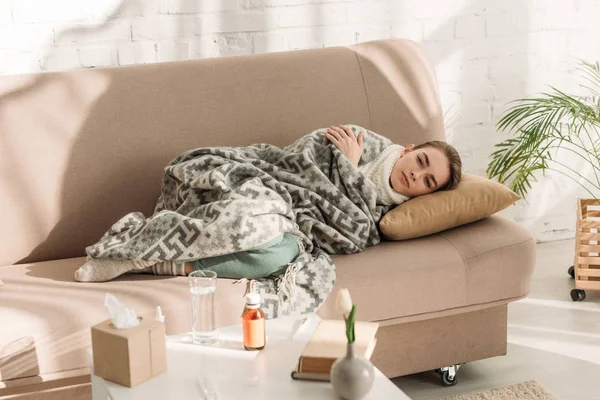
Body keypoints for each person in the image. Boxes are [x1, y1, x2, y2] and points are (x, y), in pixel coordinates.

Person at [74, 125, 462, 282]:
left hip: (294, 228)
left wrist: (351, 170)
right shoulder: (358, 138)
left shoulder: (387, 212)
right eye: (421, 162)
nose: (416, 175)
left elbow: (353, 236)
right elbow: (298, 162)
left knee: (277, 256)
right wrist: (346, 164)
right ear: (410, 150)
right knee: (255, 218)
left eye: (428, 182)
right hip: (265, 182)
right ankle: (132, 245)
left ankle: (161, 263)